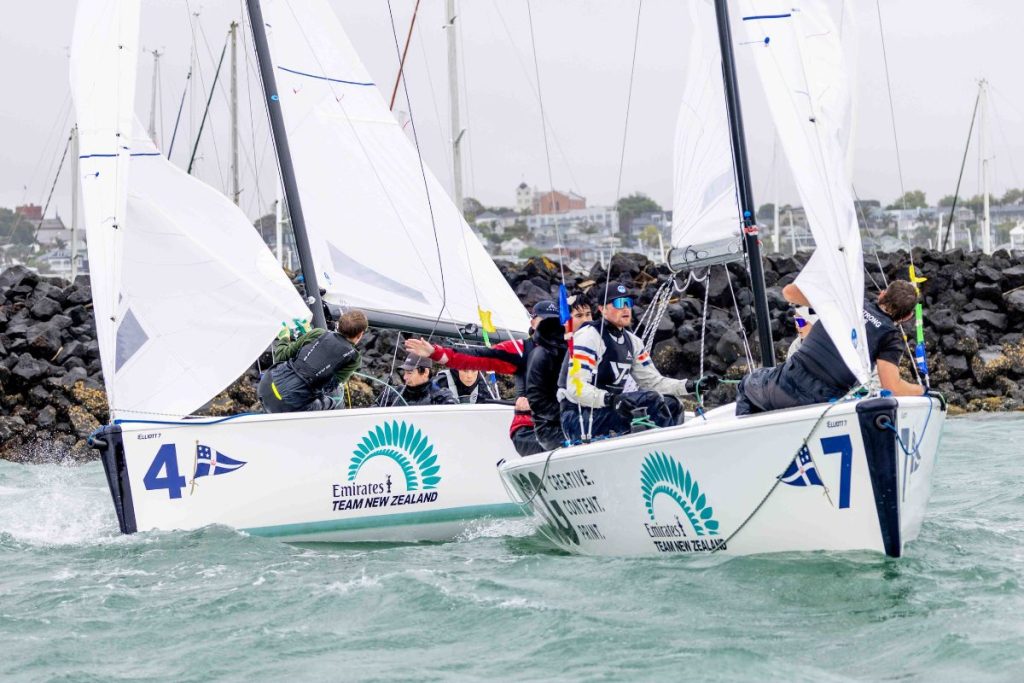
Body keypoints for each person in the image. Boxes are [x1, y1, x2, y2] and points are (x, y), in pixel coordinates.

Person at [403, 299, 593, 456]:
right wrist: (435, 352)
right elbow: (477, 357)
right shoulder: (521, 350)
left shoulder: (577, 349)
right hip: (529, 430)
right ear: (533, 323)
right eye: (545, 321)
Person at [735, 279, 924, 415]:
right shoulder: (891, 337)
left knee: (746, 385)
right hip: (822, 401)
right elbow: (892, 386)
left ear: (882, 294)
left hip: (784, 384)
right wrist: (923, 390)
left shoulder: (848, 302)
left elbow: (789, 292)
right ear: (907, 316)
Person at [559, 284, 718, 442]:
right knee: (650, 399)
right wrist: (610, 399)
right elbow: (576, 387)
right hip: (579, 418)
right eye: (619, 303)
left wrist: (691, 386)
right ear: (602, 309)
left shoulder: (633, 342)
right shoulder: (588, 336)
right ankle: (664, 446)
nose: (625, 308)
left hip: (610, 408)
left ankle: (673, 446)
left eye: (628, 302)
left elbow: (653, 382)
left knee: (672, 403)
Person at [258, 309, 368, 413]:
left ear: (338, 325)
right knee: (332, 403)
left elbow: (281, 356)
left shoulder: (317, 333)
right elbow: (328, 387)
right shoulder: (354, 358)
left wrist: (284, 338)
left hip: (266, 386)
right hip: (287, 405)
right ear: (360, 335)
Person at [524, 292, 593, 450]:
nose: (585, 320)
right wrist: (570, 413)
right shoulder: (543, 353)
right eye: (579, 316)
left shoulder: (596, 344)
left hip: (589, 417)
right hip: (552, 428)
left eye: (588, 314)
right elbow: (537, 402)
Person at [379, 354, 457, 406]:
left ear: (425, 372)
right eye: (404, 372)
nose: (405, 377)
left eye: (409, 373)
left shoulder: (441, 397)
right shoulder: (391, 393)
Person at [434, 367, 500, 404]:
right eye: (465, 370)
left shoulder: (485, 385)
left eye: (474, 370)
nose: (469, 376)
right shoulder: (440, 383)